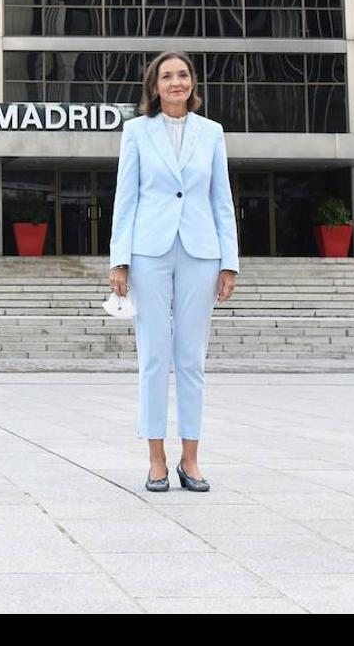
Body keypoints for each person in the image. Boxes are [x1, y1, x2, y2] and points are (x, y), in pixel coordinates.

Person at [108, 51, 239, 493]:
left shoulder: (213, 133)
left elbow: (221, 199)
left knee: (191, 359)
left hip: (202, 253)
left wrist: (229, 262)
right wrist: (119, 260)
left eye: (183, 75)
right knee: (153, 357)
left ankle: (192, 459)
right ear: (155, 85)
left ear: (192, 83)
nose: (176, 82)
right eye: (167, 76)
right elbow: (126, 199)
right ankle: (156, 459)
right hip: (149, 252)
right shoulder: (136, 133)